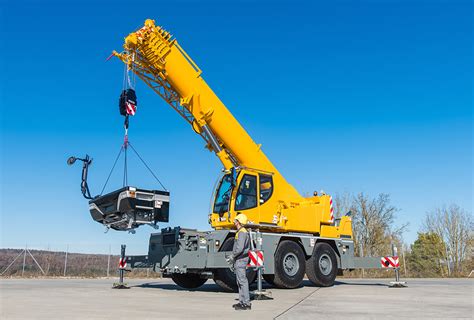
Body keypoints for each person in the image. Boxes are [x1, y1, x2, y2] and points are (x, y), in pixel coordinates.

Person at [228, 213, 251, 310]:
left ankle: (246, 303)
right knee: (240, 281)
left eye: (236, 220)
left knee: (242, 281)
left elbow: (240, 248)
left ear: (239, 222)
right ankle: (242, 302)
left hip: (241, 259)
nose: (234, 222)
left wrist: (232, 256)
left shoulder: (242, 232)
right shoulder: (241, 231)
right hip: (240, 259)